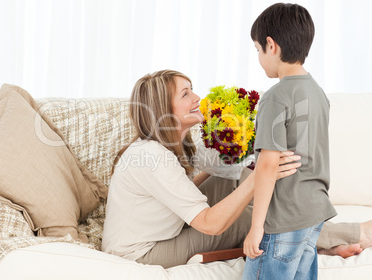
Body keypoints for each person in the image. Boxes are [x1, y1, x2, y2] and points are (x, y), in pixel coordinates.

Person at [101, 69, 370, 269]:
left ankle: (305, 239)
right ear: (163, 108)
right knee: (247, 219)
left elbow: (179, 192)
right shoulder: (152, 157)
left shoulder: (173, 143)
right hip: (141, 252)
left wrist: (237, 167)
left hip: (164, 227)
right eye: (185, 94)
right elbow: (212, 224)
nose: (197, 98)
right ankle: (355, 233)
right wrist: (263, 172)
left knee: (231, 178)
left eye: (192, 89)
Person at [242, 3, 334, 280]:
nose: (259, 56)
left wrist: (257, 227)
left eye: (258, 49)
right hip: (313, 212)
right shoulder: (317, 92)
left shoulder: (275, 97)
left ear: (271, 45)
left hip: (283, 220)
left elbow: (268, 165)